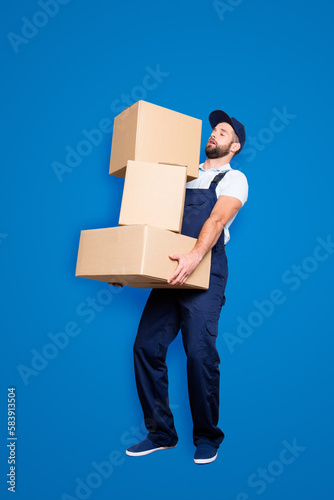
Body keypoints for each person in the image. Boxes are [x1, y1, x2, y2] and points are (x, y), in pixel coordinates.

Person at [112, 109, 248, 464]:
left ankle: (207, 436)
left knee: (199, 353)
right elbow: (150, 216)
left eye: (222, 132)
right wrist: (122, 263)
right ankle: (161, 432)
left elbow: (217, 219)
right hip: (171, 267)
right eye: (213, 130)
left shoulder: (234, 179)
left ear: (235, 146)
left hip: (205, 270)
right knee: (145, 347)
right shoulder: (180, 175)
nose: (214, 134)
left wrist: (195, 256)